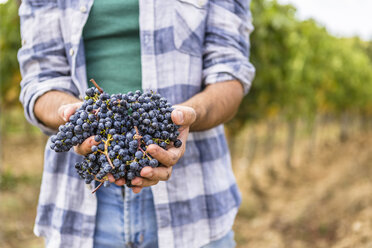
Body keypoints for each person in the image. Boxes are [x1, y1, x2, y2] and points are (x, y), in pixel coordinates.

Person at [18, 0, 255, 247]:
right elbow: (40, 80)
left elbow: (230, 75)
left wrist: (188, 115)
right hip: (76, 211)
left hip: (196, 207)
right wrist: (77, 116)